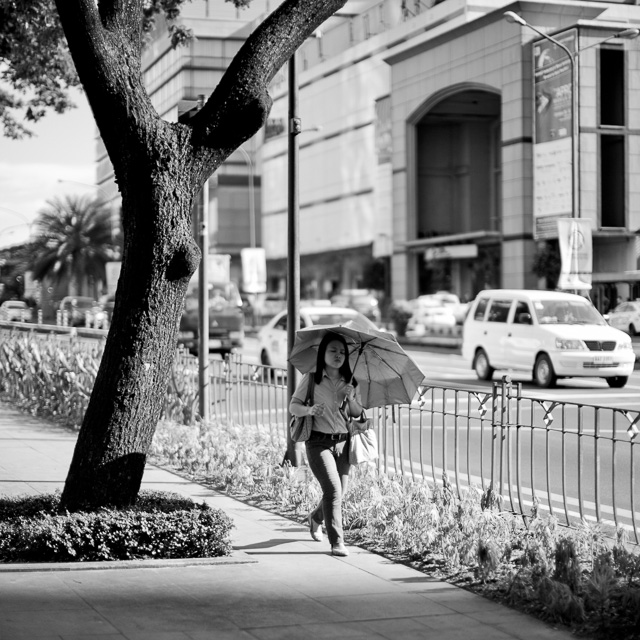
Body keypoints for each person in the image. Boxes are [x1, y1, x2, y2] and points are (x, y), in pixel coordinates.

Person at [289, 332, 364, 557]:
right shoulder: (312, 378)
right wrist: (309, 410)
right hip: (318, 442)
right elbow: (293, 406)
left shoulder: (351, 382)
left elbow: (358, 415)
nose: (338, 355)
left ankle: (315, 518)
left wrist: (351, 400)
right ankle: (337, 542)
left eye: (342, 352)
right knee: (332, 490)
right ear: (323, 354)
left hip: (343, 443)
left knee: (339, 493)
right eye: (333, 351)